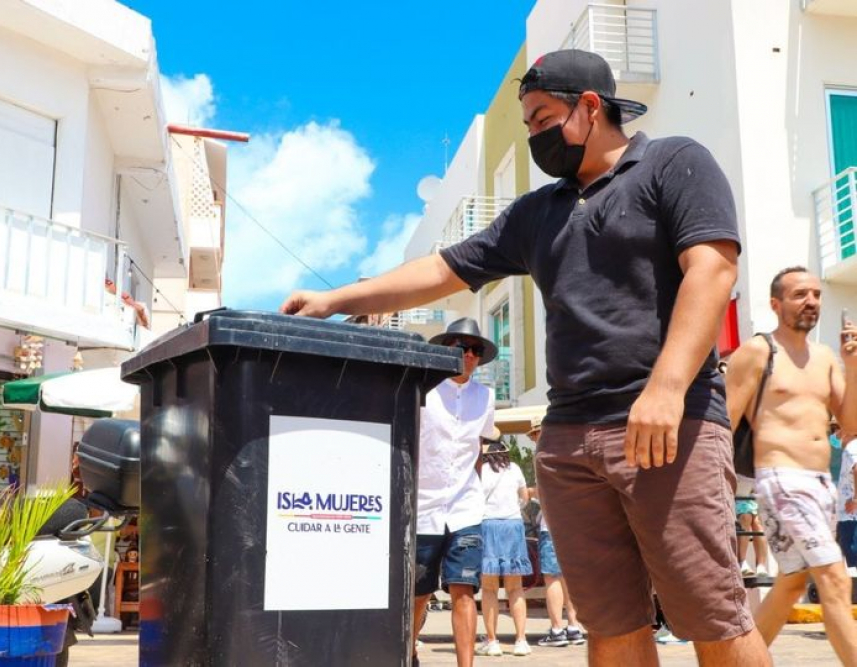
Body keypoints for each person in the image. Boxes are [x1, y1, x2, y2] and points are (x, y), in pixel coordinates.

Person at [281, 48, 769, 666]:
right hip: (568, 441)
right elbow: (440, 269)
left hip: (667, 426)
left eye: (542, 119)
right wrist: (332, 299)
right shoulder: (537, 213)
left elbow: (713, 267)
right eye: (528, 124)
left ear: (590, 107)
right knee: (611, 625)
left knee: (711, 614)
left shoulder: (675, 162)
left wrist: (667, 388)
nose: (535, 136)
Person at [724, 267, 857, 664]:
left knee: (791, 584)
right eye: (800, 294)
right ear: (776, 304)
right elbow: (724, 422)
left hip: (820, 485)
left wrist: (852, 365)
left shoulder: (826, 359)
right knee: (833, 578)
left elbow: (850, 427)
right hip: (780, 480)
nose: (811, 301)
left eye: (816, 294)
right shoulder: (757, 352)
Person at [412, 318, 497, 666]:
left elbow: (479, 447)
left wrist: (474, 488)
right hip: (423, 506)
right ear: (447, 349)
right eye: (463, 347)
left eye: (476, 350)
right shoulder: (424, 390)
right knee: (419, 593)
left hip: (465, 507)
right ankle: (407, 652)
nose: (470, 355)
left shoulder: (486, 397)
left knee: (464, 590)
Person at [526, 424, 584, 650]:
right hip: (574, 525)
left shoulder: (542, 457)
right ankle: (574, 625)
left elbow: (542, 491)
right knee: (570, 578)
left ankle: (557, 628)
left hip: (551, 525)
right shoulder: (571, 454)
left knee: (552, 578)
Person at [475, 426, 532, 657]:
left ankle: (493, 641)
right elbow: (525, 498)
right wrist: (512, 510)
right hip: (513, 526)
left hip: (488, 526)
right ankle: (520, 640)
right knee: (515, 588)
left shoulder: (481, 471)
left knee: (489, 590)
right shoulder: (515, 468)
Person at [735, 476, 769, 578]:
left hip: (749, 498)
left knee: (758, 523)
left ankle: (761, 565)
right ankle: (742, 561)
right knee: (745, 518)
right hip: (736, 499)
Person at [837, 430, 857, 570]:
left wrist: (855, 499)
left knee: (853, 557)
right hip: (850, 516)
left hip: (851, 516)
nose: (837, 434)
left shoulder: (852, 447)